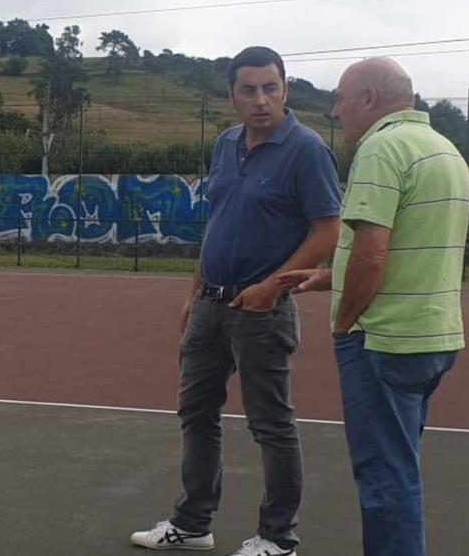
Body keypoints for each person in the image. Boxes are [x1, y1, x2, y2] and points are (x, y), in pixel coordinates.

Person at [131, 46, 342, 555]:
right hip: (210, 302)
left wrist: (273, 286)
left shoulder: (307, 150)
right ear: (232, 97)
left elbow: (329, 229)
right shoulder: (226, 144)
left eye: (270, 88)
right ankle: (193, 523)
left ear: (285, 89)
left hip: (263, 311)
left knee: (271, 425)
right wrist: (193, 291)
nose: (260, 100)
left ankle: (277, 539)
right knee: (196, 412)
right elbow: (219, 223)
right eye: (248, 90)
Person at [277, 57, 469, 556]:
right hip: (434, 336)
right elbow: (408, 247)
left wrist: (345, 324)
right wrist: (327, 277)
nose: (336, 111)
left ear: (368, 99)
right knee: (400, 468)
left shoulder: (381, 148)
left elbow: (372, 251)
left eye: (340, 99)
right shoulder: (444, 150)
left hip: (385, 339)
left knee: (385, 478)